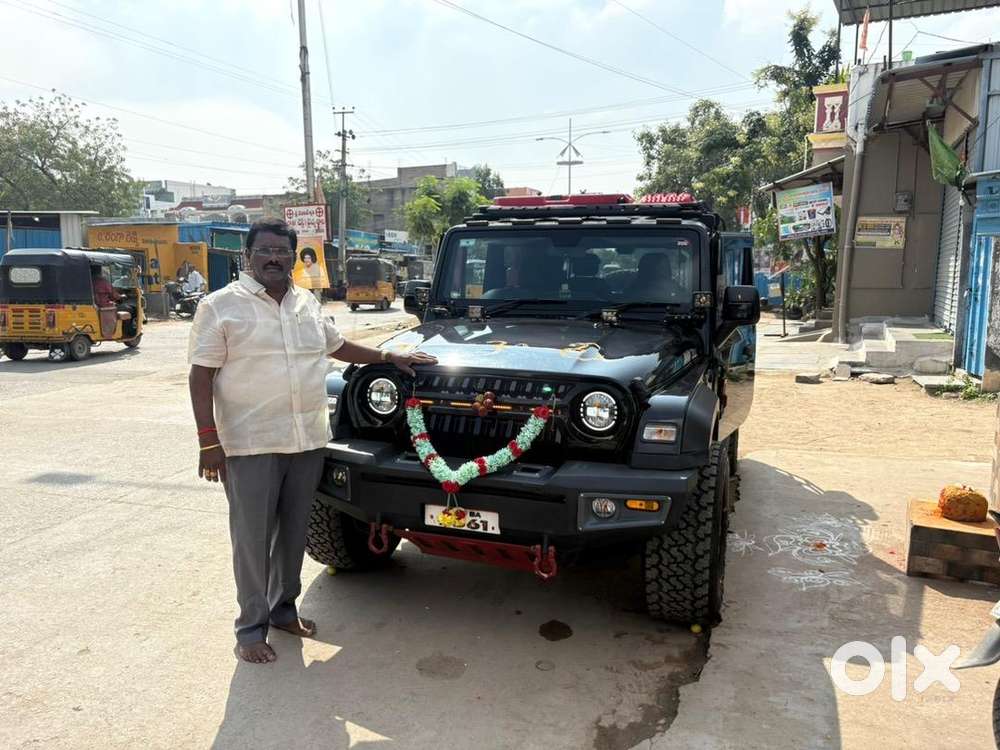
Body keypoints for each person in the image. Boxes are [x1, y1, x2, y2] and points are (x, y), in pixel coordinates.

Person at [188, 218, 436, 665]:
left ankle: (284, 610)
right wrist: (209, 440)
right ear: (248, 255)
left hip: (306, 441)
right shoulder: (220, 305)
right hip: (250, 443)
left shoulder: (306, 302)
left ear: (293, 256)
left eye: (282, 251)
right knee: (252, 540)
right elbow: (201, 374)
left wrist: (387, 356)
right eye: (264, 250)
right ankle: (250, 628)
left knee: (294, 533)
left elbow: (336, 346)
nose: (274, 258)